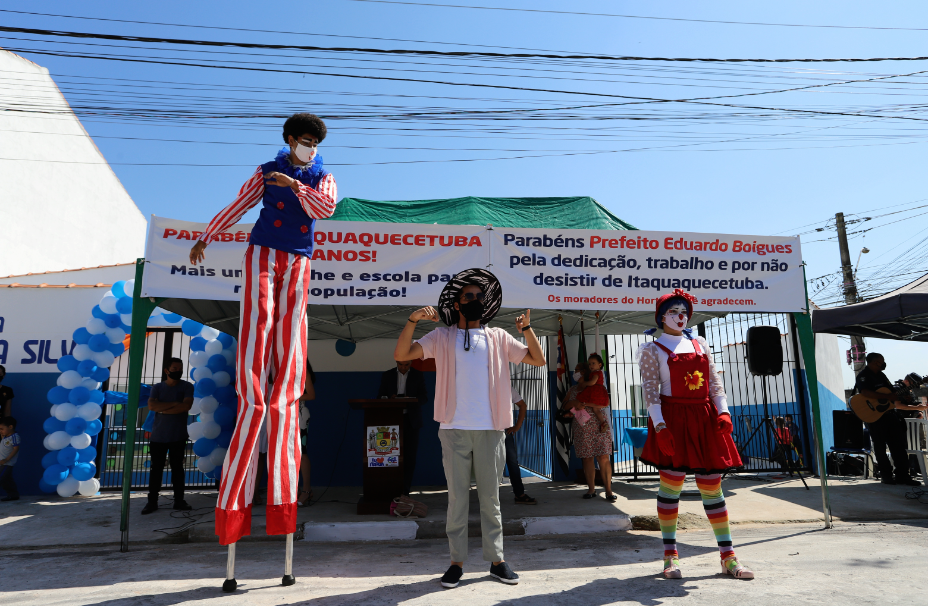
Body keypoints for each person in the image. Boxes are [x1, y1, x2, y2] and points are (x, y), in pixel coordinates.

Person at [189, 113, 337, 546]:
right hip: (261, 251)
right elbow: (239, 204)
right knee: (258, 320)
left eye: (314, 141)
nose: (309, 146)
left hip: (299, 257)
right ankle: (253, 395)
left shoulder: (323, 176)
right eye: (304, 140)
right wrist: (207, 236)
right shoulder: (266, 171)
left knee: (291, 328)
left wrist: (298, 186)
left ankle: (280, 400)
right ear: (290, 139)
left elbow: (324, 209)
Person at [393, 268, 546, 589]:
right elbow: (402, 354)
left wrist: (527, 329)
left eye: (479, 296)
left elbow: (538, 360)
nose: (475, 300)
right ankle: (456, 563)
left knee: (491, 499)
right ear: (458, 303)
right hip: (454, 429)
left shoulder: (499, 337)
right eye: (469, 296)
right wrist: (412, 321)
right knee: (457, 500)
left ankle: (497, 560)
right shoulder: (442, 337)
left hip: (492, 430)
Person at [636, 289, 753, 580]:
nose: (680, 316)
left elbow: (714, 381)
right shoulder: (651, 350)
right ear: (661, 317)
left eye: (684, 311)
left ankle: (728, 557)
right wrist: (660, 427)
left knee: (712, 486)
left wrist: (723, 411)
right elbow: (651, 393)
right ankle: (670, 557)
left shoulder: (699, 343)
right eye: (674, 311)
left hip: (704, 418)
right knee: (671, 485)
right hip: (673, 419)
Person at [854, 353, 924, 486]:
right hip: (874, 417)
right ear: (874, 362)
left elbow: (891, 393)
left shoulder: (881, 375)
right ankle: (886, 476)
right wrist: (886, 397)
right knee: (880, 447)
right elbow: (865, 393)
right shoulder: (864, 376)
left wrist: (903, 397)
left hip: (889, 415)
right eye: (881, 362)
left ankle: (903, 476)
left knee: (899, 445)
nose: (883, 364)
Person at [142, 358, 194, 514]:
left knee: (177, 469)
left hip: (178, 436)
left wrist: (163, 408)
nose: (178, 371)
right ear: (167, 370)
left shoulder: (187, 386)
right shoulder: (157, 388)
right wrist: (176, 404)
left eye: (180, 368)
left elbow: (186, 406)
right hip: (158, 436)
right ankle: (152, 502)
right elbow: (152, 406)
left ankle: (179, 500)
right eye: (174, 368)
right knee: (156, 470)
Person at [378, 360, 427, 495]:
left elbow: (424, 397)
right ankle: (391, 489)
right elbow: (380, 396)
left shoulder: (417, 375)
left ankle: (405, 491)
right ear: (396, 363)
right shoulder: (387, 375)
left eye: (406, 365)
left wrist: (410, 399)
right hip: (392, 420)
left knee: (409, 457)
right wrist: (390, 398)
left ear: (410, 363)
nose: (403, 367)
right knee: (390, 455)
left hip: (411, 421)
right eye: (401, 365)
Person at [569, 360, 615, 501]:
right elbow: (565, 405)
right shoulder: (573, 389)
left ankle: (608, 491)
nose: (575, 373)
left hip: (600, 426)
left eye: (577, 370)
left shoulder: (597, 386)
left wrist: (585, 404)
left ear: (584, 372)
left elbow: (604, 403)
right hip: (582, 427)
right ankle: (591, 489)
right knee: (587, 458)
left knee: (603, 457)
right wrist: (574, 403)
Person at [506, 386, 537, 505]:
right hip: (486, 430)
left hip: (504, 430)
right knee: (487, 464)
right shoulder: (482, 385)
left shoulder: (507, 387)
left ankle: (519, 494)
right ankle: (487, 497)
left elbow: (522, 405)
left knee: (512, 462)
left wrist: (517, 426)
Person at [575, 354, 609, 433]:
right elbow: (567, 404)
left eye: (593, 363)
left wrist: (586, 384)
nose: (591, 365)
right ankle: (602, 422)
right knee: (595, 409)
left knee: (594, 407)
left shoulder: (596, 373)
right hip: (583, 428)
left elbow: (593, 382)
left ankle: (602, 422)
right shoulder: (573, 390)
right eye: (589, 364)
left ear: (600, 365)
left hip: (593, 429)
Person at [297, 361, 316, 507]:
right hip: (286, 416)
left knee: (302, 452)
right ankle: (293, 490)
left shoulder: (304, 372)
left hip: (300, 415)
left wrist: (291, 398)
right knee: (289, 454)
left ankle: (307, 490)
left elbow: (311, 395)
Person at [0, 416, 20, 501]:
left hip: (7, 463)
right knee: (7, 478)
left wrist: (6, 459)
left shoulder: (14, 437)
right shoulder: (5, 436)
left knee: (2, 478)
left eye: (2, 429)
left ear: (10, 427)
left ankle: (12, 494)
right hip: (2, 462)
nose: (0, 431)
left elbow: (16, 449)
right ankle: (13, 494)